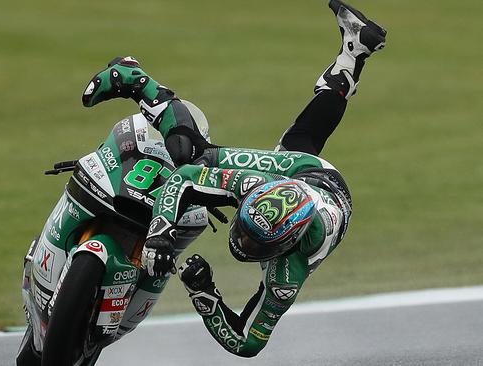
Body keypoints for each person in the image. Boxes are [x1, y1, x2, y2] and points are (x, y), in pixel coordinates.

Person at [82, 0, 386, 357]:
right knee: (193, 154)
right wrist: (160, 233)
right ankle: (136, 80)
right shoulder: (254, 183)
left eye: (257, 246)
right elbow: (185, 177)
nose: (241, 243)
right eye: (243, 230)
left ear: (283, 250)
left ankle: (356, 49)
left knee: (302, 138)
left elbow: (248, 343)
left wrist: (203, 293)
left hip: (325, 202)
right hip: (298, 173)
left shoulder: (288, 274)